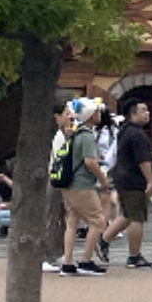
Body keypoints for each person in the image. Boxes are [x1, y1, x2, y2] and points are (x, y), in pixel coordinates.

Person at [103, 99, 152, 268]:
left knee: (126, 215)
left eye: (147, 109)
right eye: (143, 110)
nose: (147, 113)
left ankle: (103, 239)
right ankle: (134, 256)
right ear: (133, 114)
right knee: (136, 218)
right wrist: (150, 181)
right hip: (134, 180)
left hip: (122, 177)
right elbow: (143, 160)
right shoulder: (137, 135)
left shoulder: (125, 130)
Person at [62, 100, 108, 274]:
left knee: (72, 222)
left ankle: (68, 262)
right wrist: (103, 179)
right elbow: (90, 162)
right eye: (96, 112)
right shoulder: (87, 135)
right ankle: (86, 260)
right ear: (89, 116)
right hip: (82, 184)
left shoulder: (74, 133)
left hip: (68, 183)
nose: (99, 115)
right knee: (97, 221)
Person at [41, 98, 79, 274]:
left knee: (62, 218)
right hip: (56, 180)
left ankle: (58, 252)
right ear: (58, 116)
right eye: (66, 113)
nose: (70, 116)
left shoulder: (67, 133)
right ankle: (45, 256)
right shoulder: (59, 136)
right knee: (51, 217)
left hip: (64, 180)